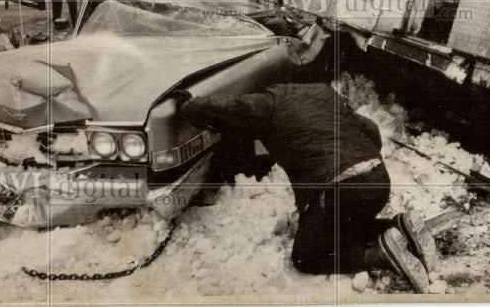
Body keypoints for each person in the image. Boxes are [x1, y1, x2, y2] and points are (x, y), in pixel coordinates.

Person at [177, 83, 437, 292]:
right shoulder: (324, 94)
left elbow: (220, 109)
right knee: (342, 227)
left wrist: (186, 105)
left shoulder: (266, 102)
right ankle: (397, 226)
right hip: (378, 181)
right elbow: (369, 128)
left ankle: (379, 255)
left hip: (339, 188)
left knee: (305, 258)